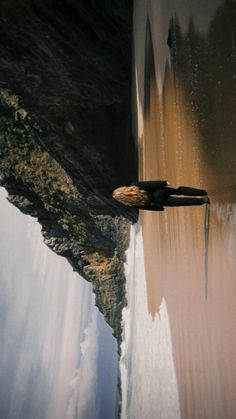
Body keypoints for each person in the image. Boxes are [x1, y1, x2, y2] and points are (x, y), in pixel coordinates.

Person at [112, 180, 210, 211]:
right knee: (179, 191)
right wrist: (163, 182)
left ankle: (203, 200)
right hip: (159, 192)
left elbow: (148, 207)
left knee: (183, 202)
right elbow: (149, 184)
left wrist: (160, 209)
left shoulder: (132, 203)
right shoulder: (135, 186)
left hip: (159, 202)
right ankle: (202, 192)